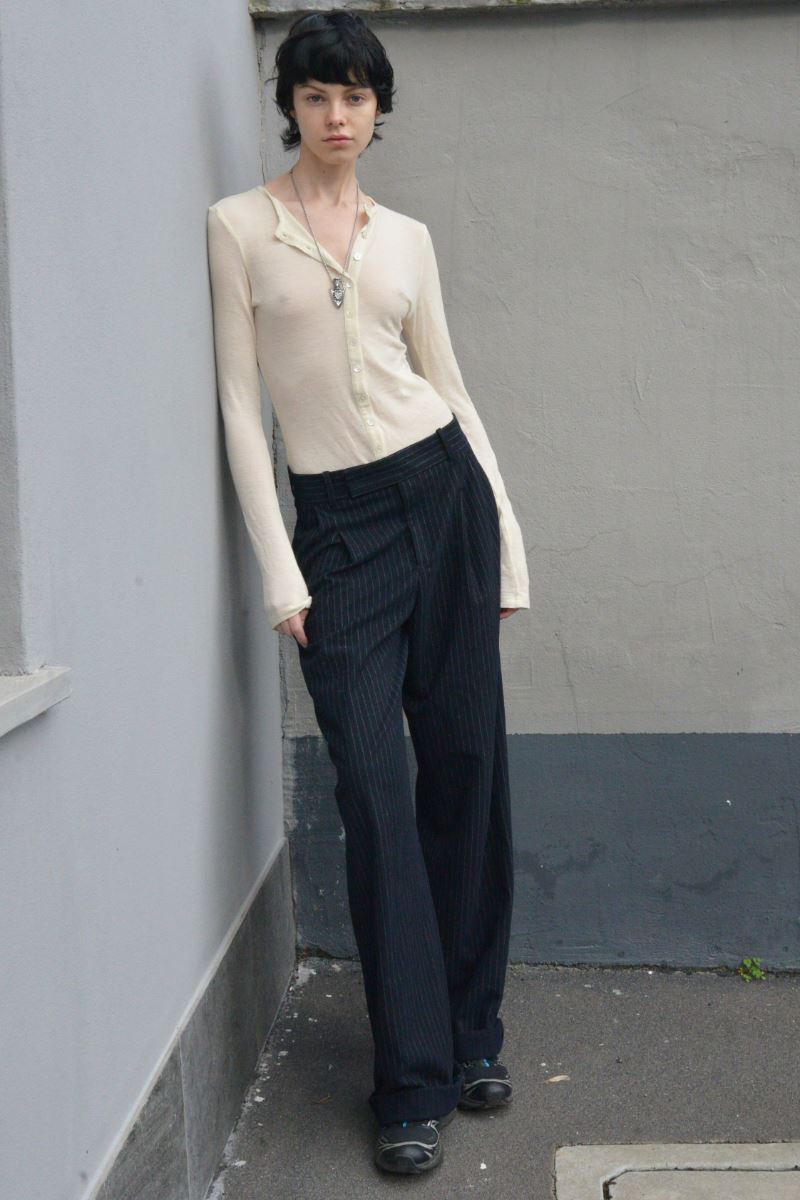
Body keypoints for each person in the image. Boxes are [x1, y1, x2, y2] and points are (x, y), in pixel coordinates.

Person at [206, 9, 529, 1176]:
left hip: (442, 497)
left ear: (376, 109)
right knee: (375, 794)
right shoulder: (239, 229)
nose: (336, 115)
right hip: (338, 533)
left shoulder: (407, 239)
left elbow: (450, 384)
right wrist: (280, 568)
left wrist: (505, 540)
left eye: (354, 96)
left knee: (465, 771)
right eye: (315, 95)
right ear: (288, 106)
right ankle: (409, 1080)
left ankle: (471, 1034)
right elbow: (240, 408)